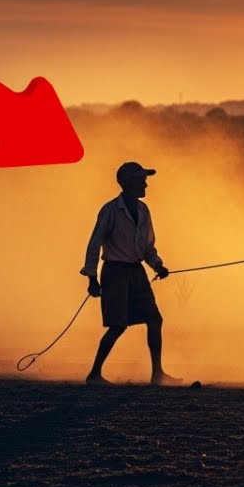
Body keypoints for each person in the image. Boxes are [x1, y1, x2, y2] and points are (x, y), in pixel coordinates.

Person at [80, 161, 178, 385]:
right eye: (141, 180)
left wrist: (157, 265)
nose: (145, 184)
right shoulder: (110, 210)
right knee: (117, 326)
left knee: (155, 319)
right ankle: (94, 374)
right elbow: (94, 244)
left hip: (136, 272)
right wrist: (92, 278)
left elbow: (147, 247)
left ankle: (157, 373)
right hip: (115, 272)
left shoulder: (143, 210)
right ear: (127, 183)